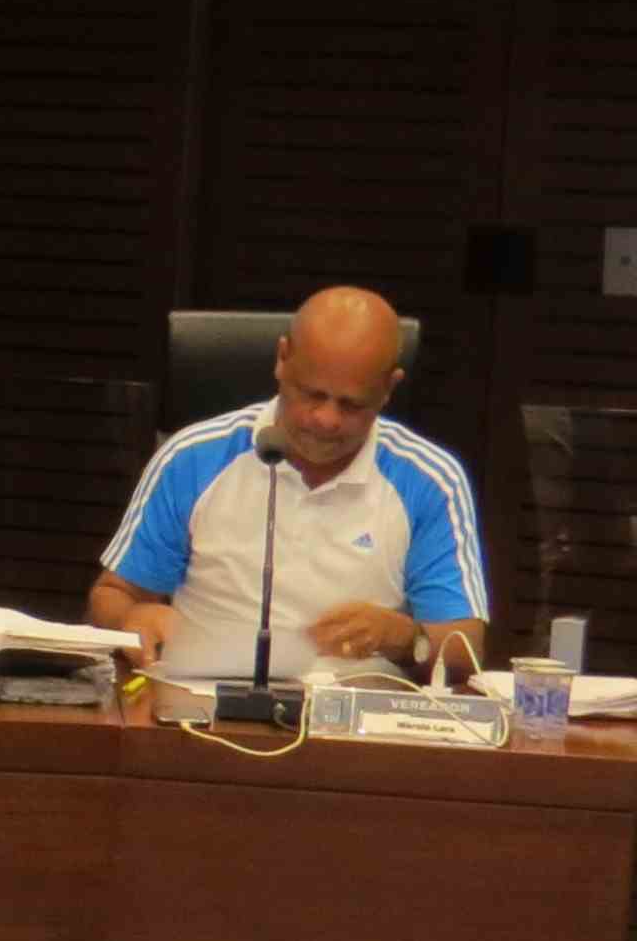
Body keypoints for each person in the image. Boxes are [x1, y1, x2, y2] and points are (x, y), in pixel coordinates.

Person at [90, 284, 487, 681]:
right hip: (202, 701)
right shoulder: (193, 458)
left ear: (389, 388)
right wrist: (132, 617)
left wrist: (405, 637)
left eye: (351, 405)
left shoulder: (430, 480)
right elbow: (112, 597)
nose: (326, 420)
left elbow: (466, 650)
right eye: (312, 395)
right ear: (282, 360)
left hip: (358, 707)